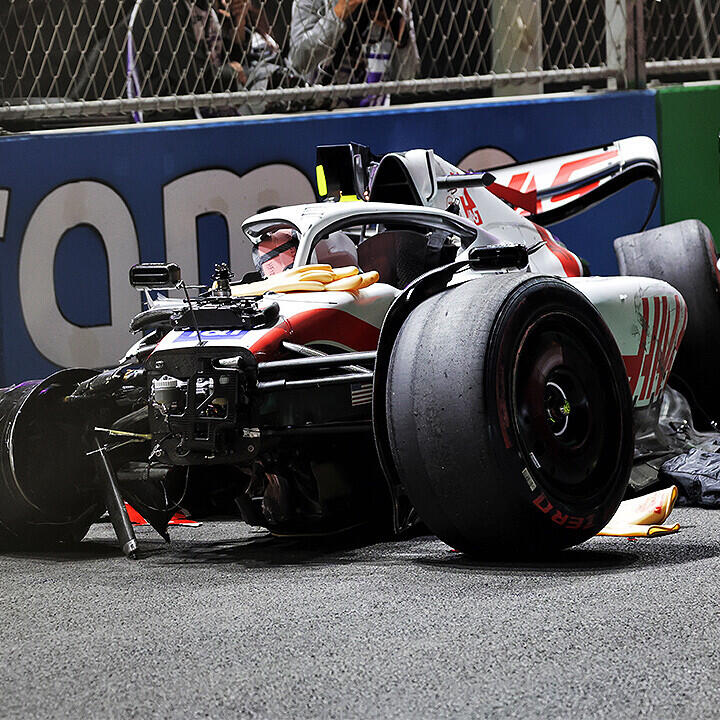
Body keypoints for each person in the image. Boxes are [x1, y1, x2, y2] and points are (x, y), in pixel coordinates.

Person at [289, 0, 419, 107]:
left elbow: (407, 77)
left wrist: (402, 40)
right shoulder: (311, 2)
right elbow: (299, 62)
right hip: (322, 117)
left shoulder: (399, 3)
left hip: (375, 118)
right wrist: (338, 14)